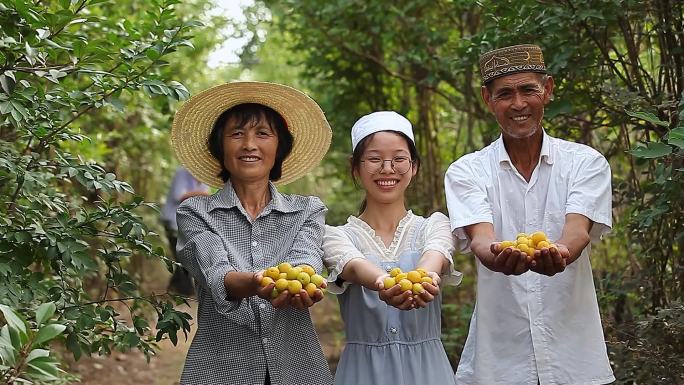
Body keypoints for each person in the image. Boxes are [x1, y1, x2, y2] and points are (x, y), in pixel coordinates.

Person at [444, 44, 615, 385]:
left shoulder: (586, 163)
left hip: (575, 358)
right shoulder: (467, 172)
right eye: (505, 94)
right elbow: (481, 239)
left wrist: (562, 252)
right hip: (501, 362)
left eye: (528, 90)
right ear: (487, 99)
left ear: (547, 90)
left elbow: (577, 233)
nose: (518, 104)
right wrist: (496, 254)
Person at [171, 82, 334, 385]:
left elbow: (307, 261)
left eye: (262, 134)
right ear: (220, 147)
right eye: (236, 134)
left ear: (279, 146)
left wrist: (302, 282)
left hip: (297, 369)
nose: (249, 145)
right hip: (219, 371)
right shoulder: (195, 212)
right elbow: (218, 275)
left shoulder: (307, 210)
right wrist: (262, 282)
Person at [322, 111, 462, 385]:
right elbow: (351, 264)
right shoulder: (335, 236)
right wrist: (386, 283)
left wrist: (425, 278)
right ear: (355, 168)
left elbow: (437, 254)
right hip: (362, 375)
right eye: (374, 159)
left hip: (429, 373)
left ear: (414, 166)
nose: (387, 169)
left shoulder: (434, 225)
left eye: (399, 159)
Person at [161, 166, 209, 295]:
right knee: (181, 257)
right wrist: (202, 194)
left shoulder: (204, 181)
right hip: (173, 221)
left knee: (187, 256)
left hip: (188, 224)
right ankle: (182, 290)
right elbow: (179, 195)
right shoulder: (182, 173)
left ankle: (175, 287)